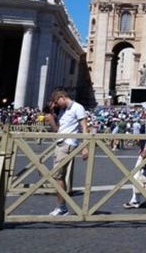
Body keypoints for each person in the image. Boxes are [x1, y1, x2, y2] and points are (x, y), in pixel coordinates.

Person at [46, 88, 89, 216]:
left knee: (57, 176)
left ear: (62, 97)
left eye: (57, 102)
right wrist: (51, 119)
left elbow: (84, 127)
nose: (57, 105)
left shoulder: (77, 107)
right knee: (58, 177)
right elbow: (57, 130)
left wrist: (85, 147)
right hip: (60, 143)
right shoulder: (63, 111)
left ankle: (62, 208)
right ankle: (61, 206)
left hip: (67, 144)